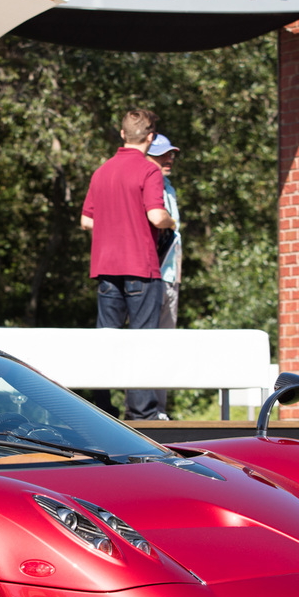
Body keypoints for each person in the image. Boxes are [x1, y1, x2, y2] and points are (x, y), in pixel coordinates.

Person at [80, 109, 175, 421]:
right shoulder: (149, 171)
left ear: (122, 134)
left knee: (106, 339)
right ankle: (141, 413)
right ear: (149, 138)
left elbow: (86, 220)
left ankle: (103, 410)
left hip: (106, 268)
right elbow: (156, 216)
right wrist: (173, 221)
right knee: (143, 340)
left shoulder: (101, 171)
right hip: (141, 267)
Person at [148, 134, 182, 420]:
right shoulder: (149, 183)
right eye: (161, 154)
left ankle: (160, 409)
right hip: (152, 275)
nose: (168, 159)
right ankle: (147, 409)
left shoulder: (168, 186)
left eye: (170, 154)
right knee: (149, 344)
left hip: (171, 276)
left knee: (165, 344)